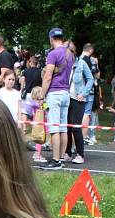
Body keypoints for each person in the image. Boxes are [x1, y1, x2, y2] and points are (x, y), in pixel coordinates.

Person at [42, 27, 74, 169]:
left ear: (51, 39)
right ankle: (61, 157)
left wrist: (42, 95)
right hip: (66, 93)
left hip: (54, 93)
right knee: (63, 128)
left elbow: (48, 76)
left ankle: (55, 161)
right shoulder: (70, 54)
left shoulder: (53, 54)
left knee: (54, 128)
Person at [65, 43, 94, 164]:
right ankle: (67, 152)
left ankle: (80, 154)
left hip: (78, 99)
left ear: (73, 52)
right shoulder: (63, 65)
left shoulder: (81, 63)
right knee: (67, 127)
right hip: (66, 99)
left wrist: (84, 93)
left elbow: (91, 79)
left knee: (76, 127)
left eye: (67, 52)